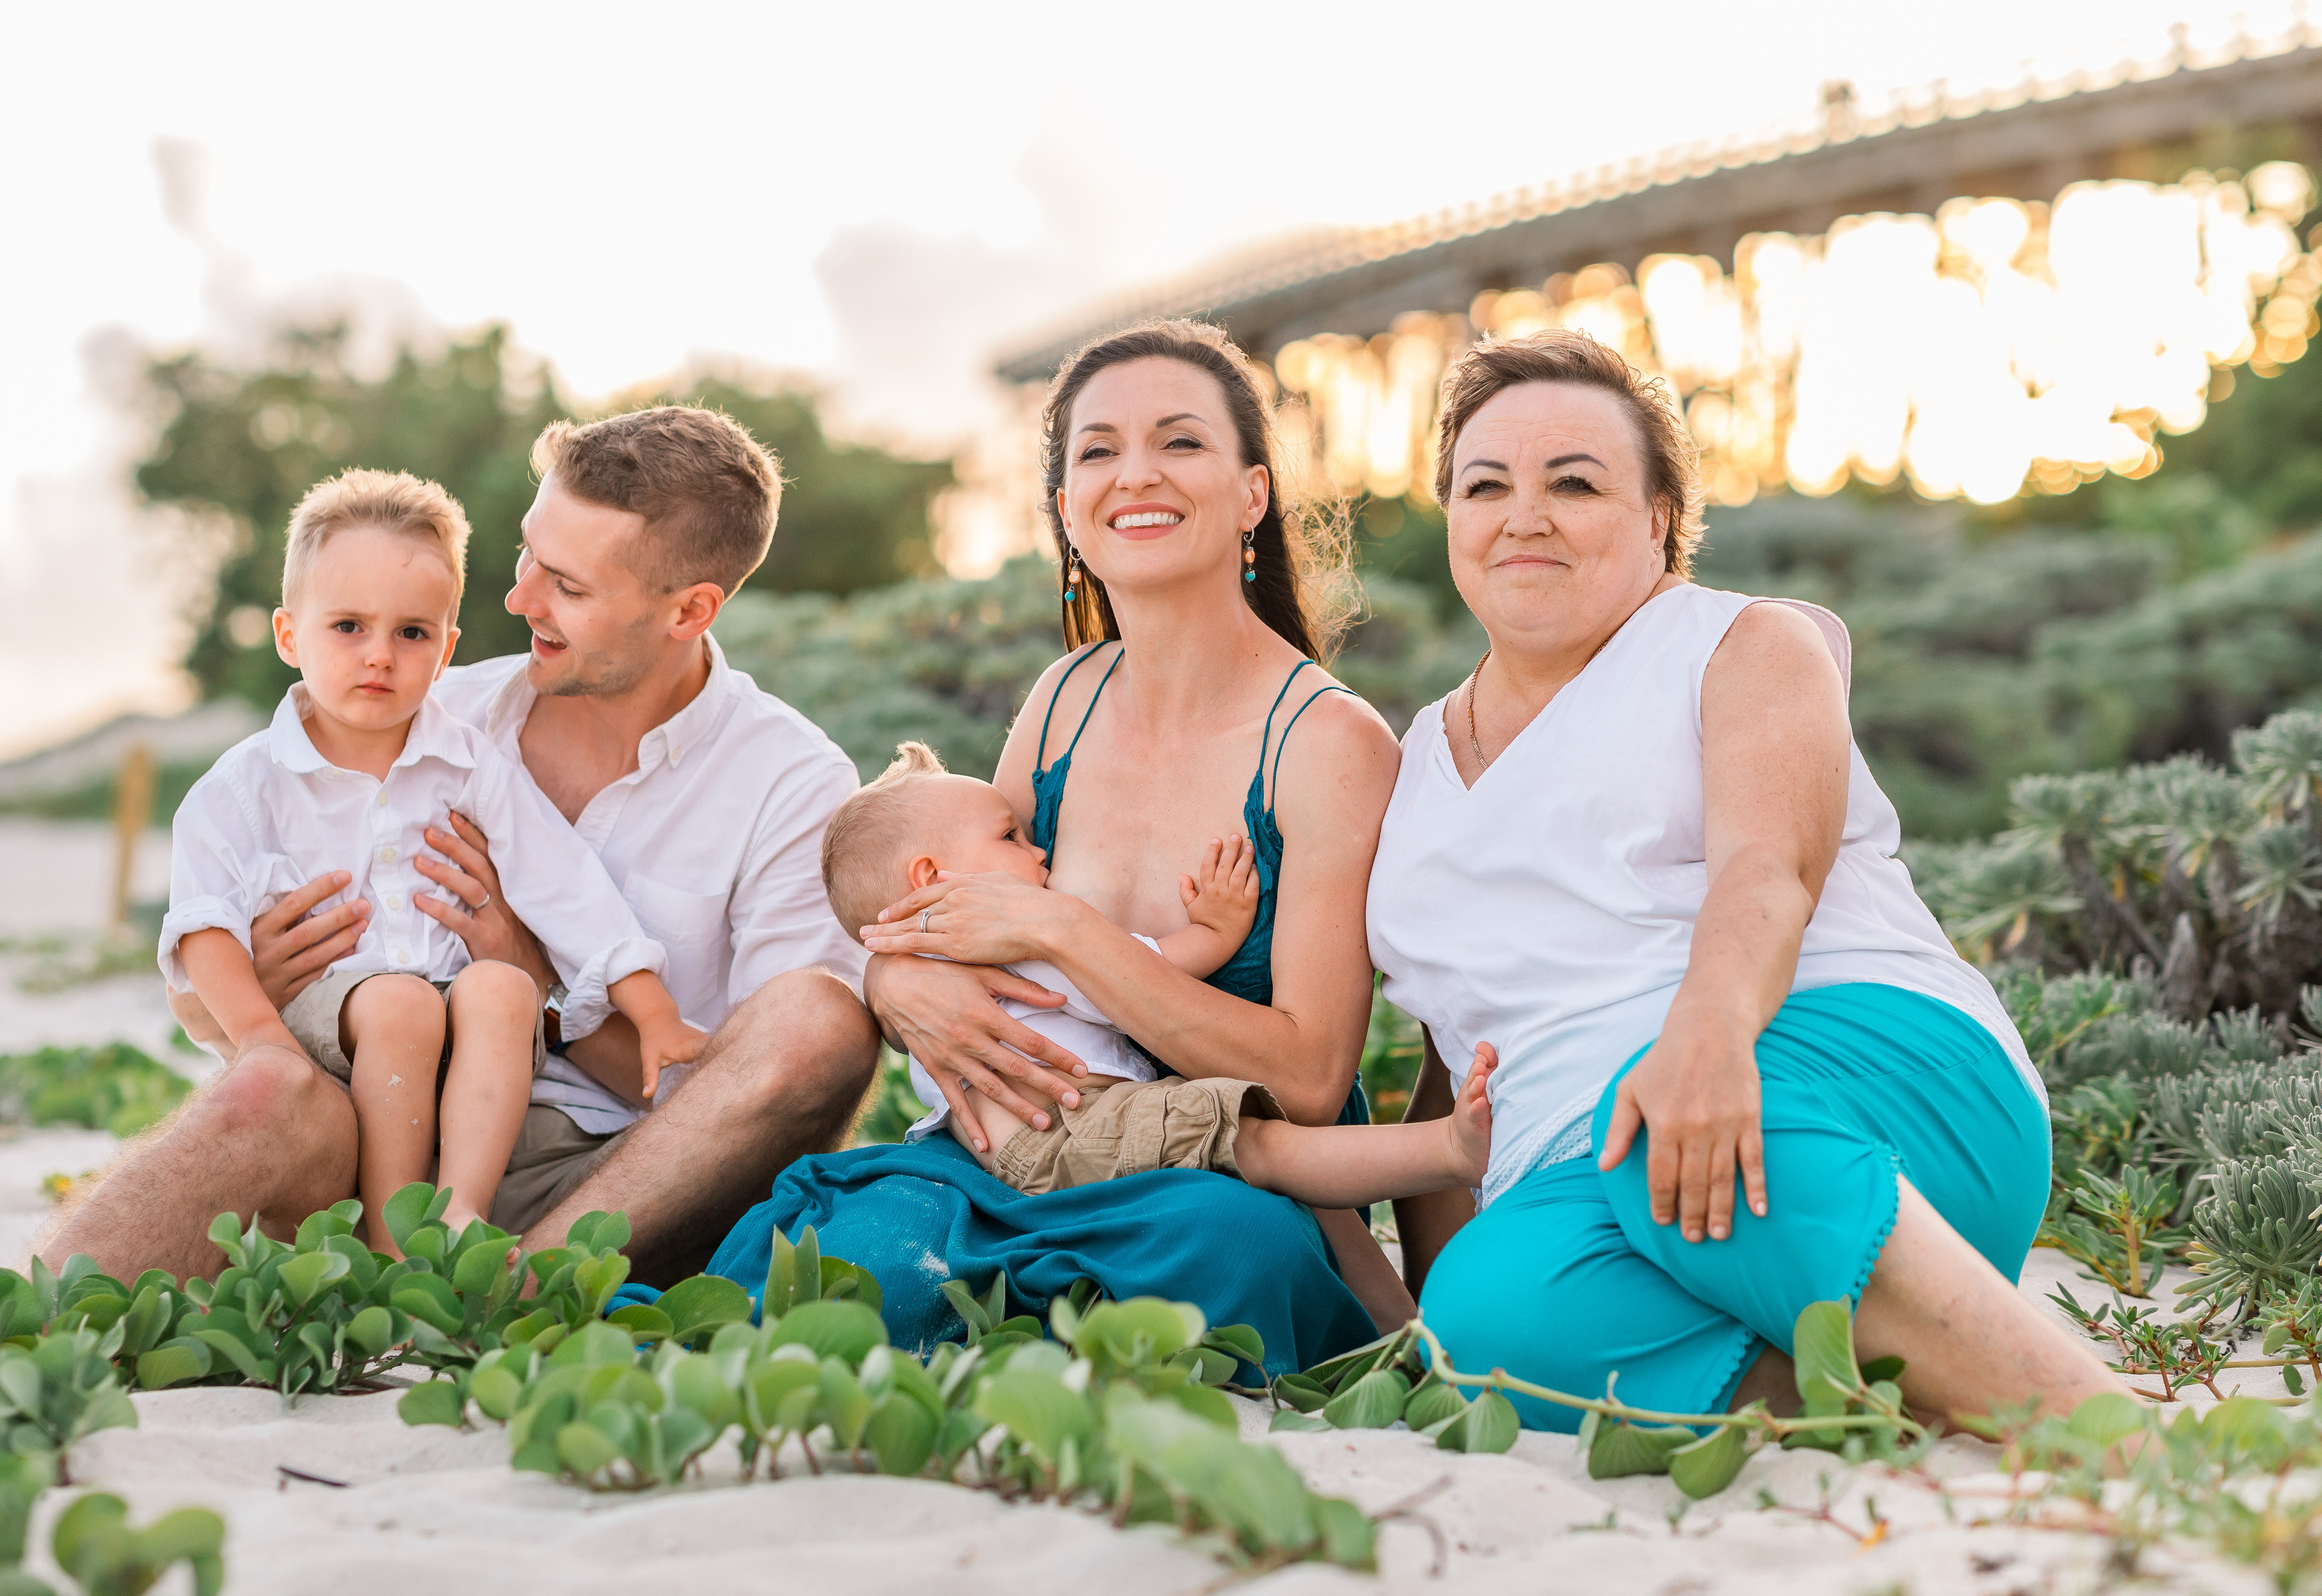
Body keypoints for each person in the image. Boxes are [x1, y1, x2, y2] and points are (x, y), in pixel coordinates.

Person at [0, 405, 879, 1426]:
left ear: (689, 610)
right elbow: (220, 1017)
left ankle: (507, 1288)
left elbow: (749, 1101)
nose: (519, 598)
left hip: (606, 1183)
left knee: (819, 1020)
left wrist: (542, 988)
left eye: (566, 587)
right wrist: (260, 984)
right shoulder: (420, 708)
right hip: (376, 1129)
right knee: (268, 1091)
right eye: (528, 559)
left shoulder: (787, 782)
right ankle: (10, 1345)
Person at [1370, 328, 2127, 1430]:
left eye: (1573, 482)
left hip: (1849, 1064)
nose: (1522, 514)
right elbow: (1455, 1053)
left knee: (1668, 1116)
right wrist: (1428, 1296)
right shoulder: (1412, 767)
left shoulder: (1741, 645)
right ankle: (1918, 1389)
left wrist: (1706, 1043)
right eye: (1485, 485)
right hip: (1589, 1169)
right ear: (1452, 519)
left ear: (1658, 519)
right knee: (1483, 1324)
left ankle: (2111, 1433)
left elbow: (1767, 870)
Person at [705, 319, 1411, 1372]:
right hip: (1009, 1160)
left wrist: (1065, 930)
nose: (1136, 474)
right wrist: (895, 978)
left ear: (1253, 494)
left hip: (1208, 1175)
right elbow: (947, 901)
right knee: (832, 1254)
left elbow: (1308, 1080)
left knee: (1222, 1257)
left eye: (1179, 441)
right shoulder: (1061, 701)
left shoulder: (1327, 741)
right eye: (1097, 450)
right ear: (1067, 507)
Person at [161, 470, 701, 1254]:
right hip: (324, 1023)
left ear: (446, 649)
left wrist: (649, 1006)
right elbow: (202, 925)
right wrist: (259, 1039)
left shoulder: (469, 763)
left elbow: (561, 879)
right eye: (347, 626)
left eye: (411, 633)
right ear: (289, 635)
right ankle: (388, 1245)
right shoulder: (246, 784)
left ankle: (457, 1215)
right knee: (397, 1006)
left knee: (506, 987)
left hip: (450, 1012)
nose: (379, 655)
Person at [820, 740, 1494, 1200]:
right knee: (1257, 1144)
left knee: (1254, 1151)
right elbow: (1129, 978)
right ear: (932, 877)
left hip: (1015, 1144)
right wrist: (1214, 931)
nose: (1039, 845)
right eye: (1010, 837)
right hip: (1067, 1129)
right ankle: (1442, 1153)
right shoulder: (998, 942)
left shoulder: (940, 953)